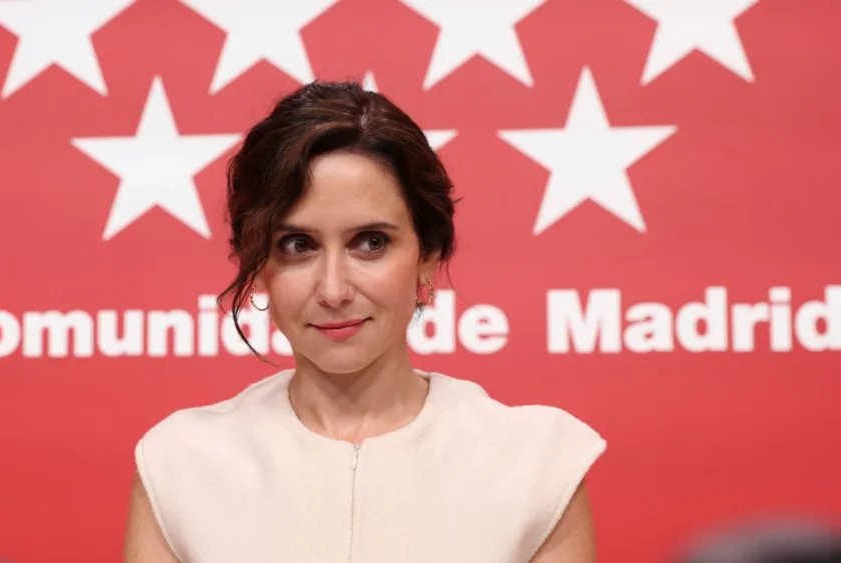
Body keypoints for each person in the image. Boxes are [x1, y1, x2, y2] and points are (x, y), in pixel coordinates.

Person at [122, 80, 607, 563]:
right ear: (259, 264)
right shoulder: (178, 465)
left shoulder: (538, 465)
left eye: (371, 242)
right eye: (298, 245)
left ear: (428, 256)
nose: (333, 290)